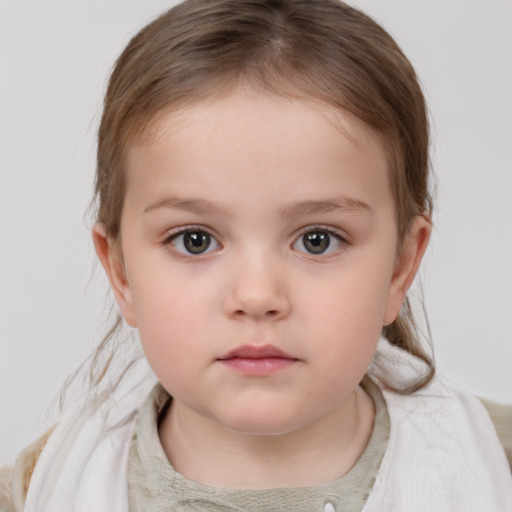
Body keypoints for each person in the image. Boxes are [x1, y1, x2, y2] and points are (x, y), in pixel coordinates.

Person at [1, 0, 511, 510]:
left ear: (401, 268)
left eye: (318, 239)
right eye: (195, 240)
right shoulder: (39, 491)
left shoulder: (493, 468)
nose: (257, 296)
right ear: (121, 272)